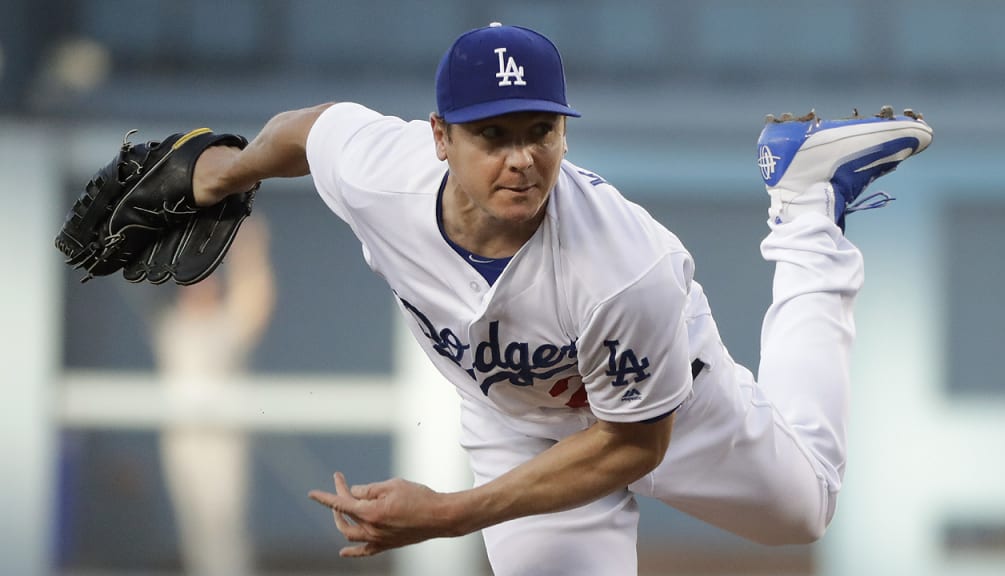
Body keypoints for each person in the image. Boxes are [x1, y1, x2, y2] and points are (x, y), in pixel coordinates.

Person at [188, 23, 932, 575]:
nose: (522, 158)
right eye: (493, 134)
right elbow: (310, 131)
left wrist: (449, 514)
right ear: (441, 137)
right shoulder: (383, 177)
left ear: (565, 134)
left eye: (540, 130)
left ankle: (805, 208)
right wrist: (222, 174)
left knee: (805, 509)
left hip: (663, 405)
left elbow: (633, 445)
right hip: (513, 418)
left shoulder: (626, 269)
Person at [152, 216, 275, 576]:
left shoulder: (222, 327)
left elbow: (254, 303)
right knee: (195, 532)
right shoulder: (172, 327)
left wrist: (250, 251)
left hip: (221, 443)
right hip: (182, 441)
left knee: (224, 529)